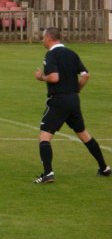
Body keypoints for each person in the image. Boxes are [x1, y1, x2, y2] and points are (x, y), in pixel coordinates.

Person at [33, 28, 110, 183]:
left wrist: (41, 77)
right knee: (84, 134)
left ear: (49, 38)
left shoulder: (51, 55)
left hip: (59, 101)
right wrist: (76, 90)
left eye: (43, 38)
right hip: (73, 100)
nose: (42, 41)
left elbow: (54, 77)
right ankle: (104, 168)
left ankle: (48, 173)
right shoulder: (72, 54)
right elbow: (85, 75)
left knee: (44, 136)